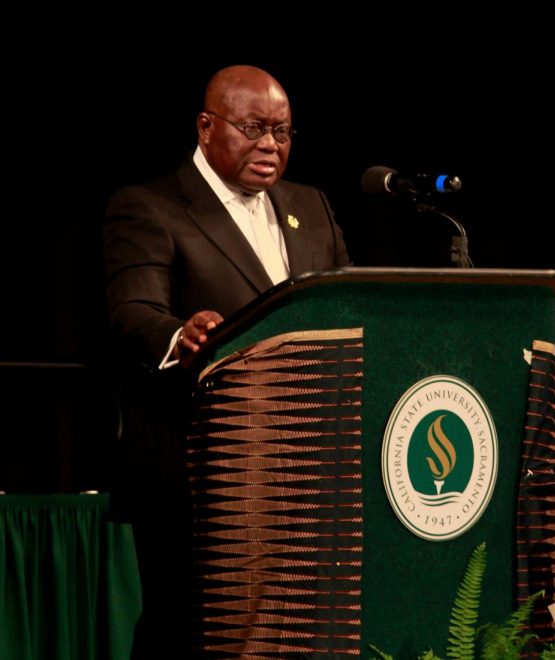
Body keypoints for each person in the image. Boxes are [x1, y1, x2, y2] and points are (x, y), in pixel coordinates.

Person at [102, 65, 350, 658]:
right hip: (196, 468)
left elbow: (345, 307)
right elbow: (132, 312)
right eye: (254, 127)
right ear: (206, 126)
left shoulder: (309, 206)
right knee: (188, 630)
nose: (270, 144)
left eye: (283, 132)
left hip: (308, 465)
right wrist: (179, 334)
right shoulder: (150, 207)